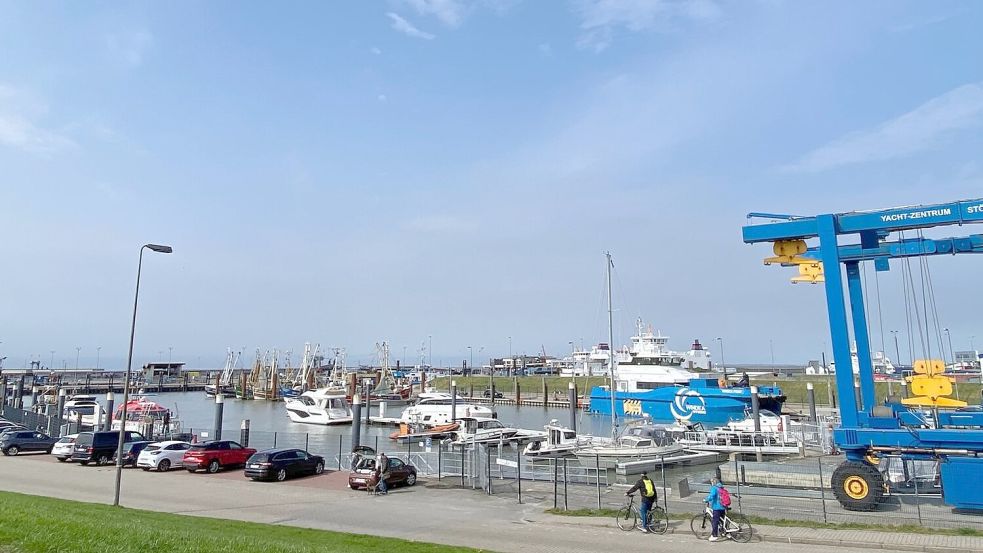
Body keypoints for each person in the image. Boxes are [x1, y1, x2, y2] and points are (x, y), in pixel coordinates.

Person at [704, 477, 727, 542]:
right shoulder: (721, 487)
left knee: (715, 521)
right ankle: (724, 532)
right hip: (723, 506)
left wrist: (706, 499)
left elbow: (712, 496)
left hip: (717, 507)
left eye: (711, 482)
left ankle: (714, 536)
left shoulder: (714, 488)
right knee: (722, 521)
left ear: (713, 482)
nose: (711, 483)